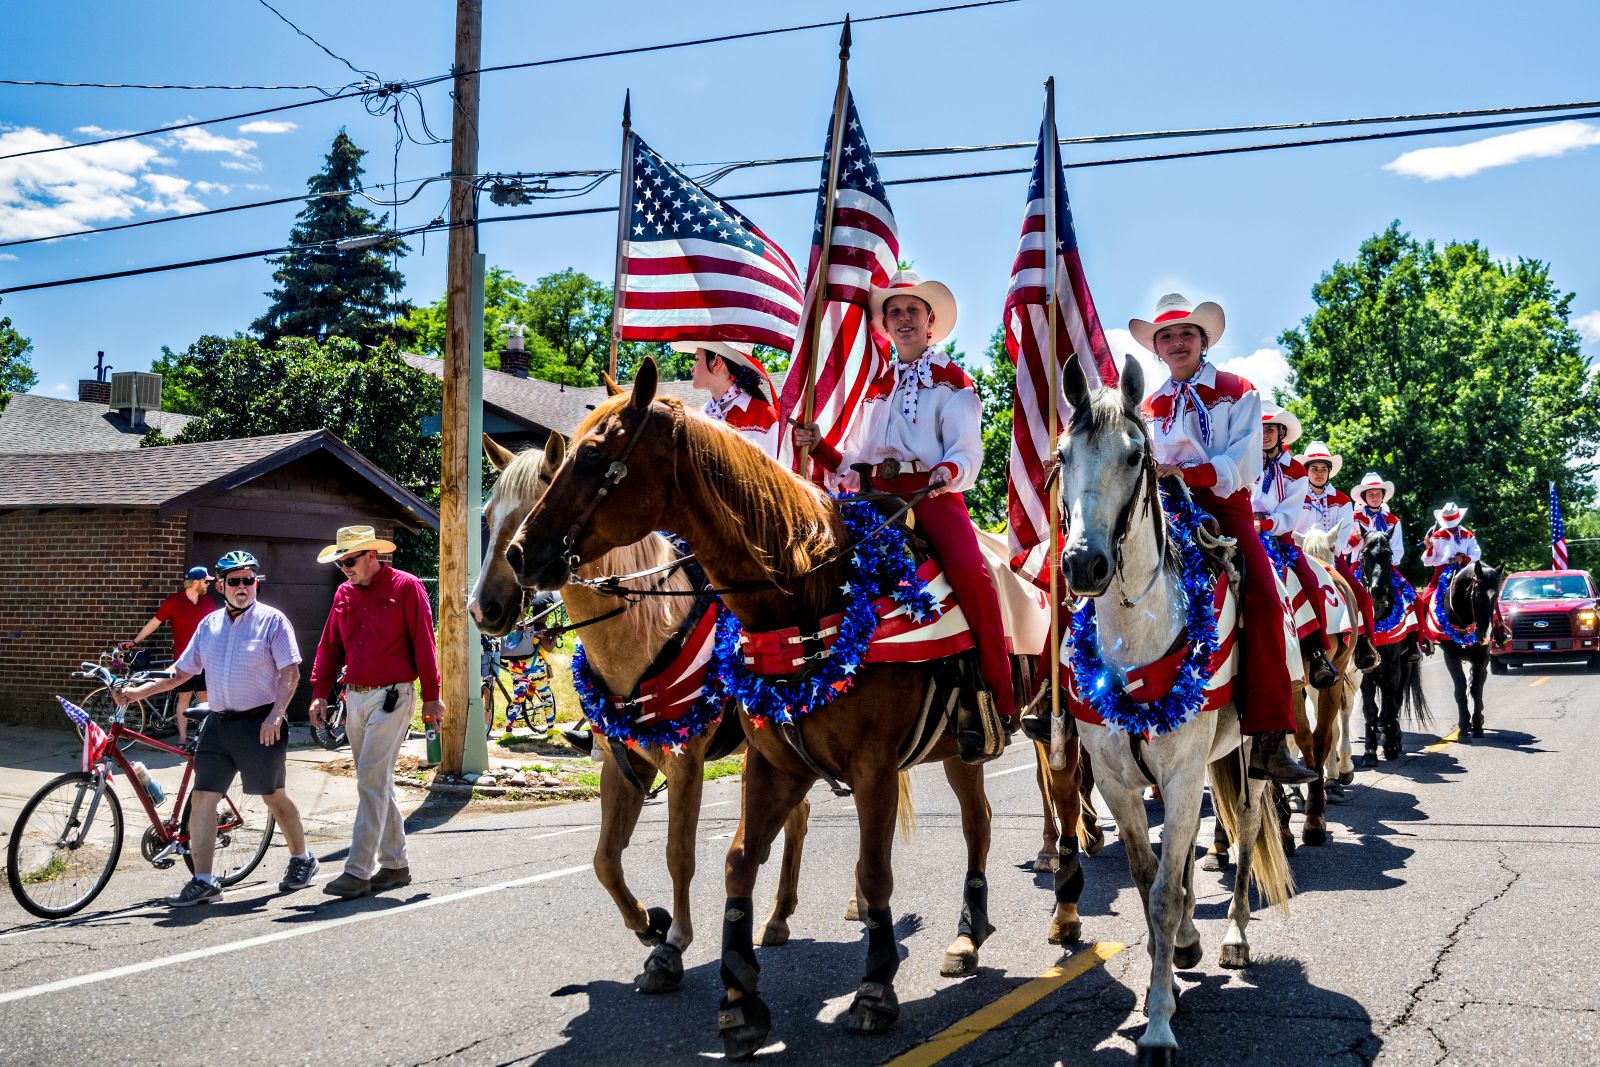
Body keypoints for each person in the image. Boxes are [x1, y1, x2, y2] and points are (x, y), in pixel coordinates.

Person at [789, 269, 1015, 762]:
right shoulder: (876, 386)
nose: (904, 318)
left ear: (930, 323)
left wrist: (947, 469)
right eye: (895, 311)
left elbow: (967, 452)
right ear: (886, 326)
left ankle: (998, 699)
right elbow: (856, 458)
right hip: (871, 497)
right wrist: (821, 449)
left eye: (913, 310)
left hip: (931, 496)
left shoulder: (954, 380)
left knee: (973, 577)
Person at [1132, 293, 1316, 784]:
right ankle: (1082, 711)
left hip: (1222, 508)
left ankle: (1270, 736)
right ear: (1156, 348)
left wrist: (1187, 475)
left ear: (1205, 340)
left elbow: (1245, 463)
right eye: (1165, 336)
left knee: (1261, 597)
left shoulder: (1240, 390)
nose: (1175, 342)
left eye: (1186, 334)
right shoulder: (1148, 405)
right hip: (1160, 510)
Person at [115, 550, 316, 906]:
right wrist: (137, 693)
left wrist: (276, 715)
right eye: (235, 581)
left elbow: (290, 672)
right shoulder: (208, 625)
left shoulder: (272, 621)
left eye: (248, 580)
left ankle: (302, 858)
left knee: (273, 796)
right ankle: (204, 879)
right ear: (220, 586)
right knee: (203, 798)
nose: (243, 587)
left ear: (255, 583)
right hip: (218, 724)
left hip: (260, 723)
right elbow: (181, 673)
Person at [309, 526, 443, 899]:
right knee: (377, 782)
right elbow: (329, 645)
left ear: (372, 556)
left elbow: (424, 642)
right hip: (355, 697)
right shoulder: (343, 593)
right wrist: (319, 693)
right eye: (340, 563)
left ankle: (357, 870)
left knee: (369, 779)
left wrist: (433, 697)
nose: (344, 569)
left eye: (349, 561)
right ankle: (396, 865)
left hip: (394, 695)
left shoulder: (406, 586)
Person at [1253, 403, 1338, 689]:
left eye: (1270, 429)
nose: (1265, 434)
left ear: (1282, 434)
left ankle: (1316, 653)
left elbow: (1288, 516)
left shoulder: (1297, 471)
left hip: (1278, 539)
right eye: (1261, 429)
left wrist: (1263, 525)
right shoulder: (1244, 459)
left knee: (1310, 582)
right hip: (1242, 531)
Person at [1296, 441, 1380, 671]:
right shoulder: (1296, 495)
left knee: (1363, 596)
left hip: (1331, 557)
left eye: (1324, 469)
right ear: (1307, 470)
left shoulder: (1342, 499)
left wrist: (1327, 547)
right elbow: (1290, 525)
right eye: (1315, 469)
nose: (1319, 474)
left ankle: (1366, 645)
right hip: (1299, 556)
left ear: (1329, 471)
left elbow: (1343, 534)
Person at [126, 566, 220, 745]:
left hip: (206, 660)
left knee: (204, 697)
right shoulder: (173, 602)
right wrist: (134, 641)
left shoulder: (208, 602)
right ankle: (183, 738)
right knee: (183, 697)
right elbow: (155, 622)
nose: (208, 584)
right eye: (205, 581)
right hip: (183, 660)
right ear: (195, 582)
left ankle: (206, 738)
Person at [673, 340, 783, 458]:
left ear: (716, 363)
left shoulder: (765, 416)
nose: (692, 368)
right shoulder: (695, 417)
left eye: (697, 359)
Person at [1420, 502, 1482, 621]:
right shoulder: (1436, 536)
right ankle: (1421, 632)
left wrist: (1464, 558)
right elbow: (1427, 562)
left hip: (1465, 571)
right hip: (1441, 573)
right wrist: (1430, 548)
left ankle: (1495, 627)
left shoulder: (1468, 535)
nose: (1451, 526)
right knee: (1425, 599)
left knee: (1484, 595)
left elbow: (1476, 554)